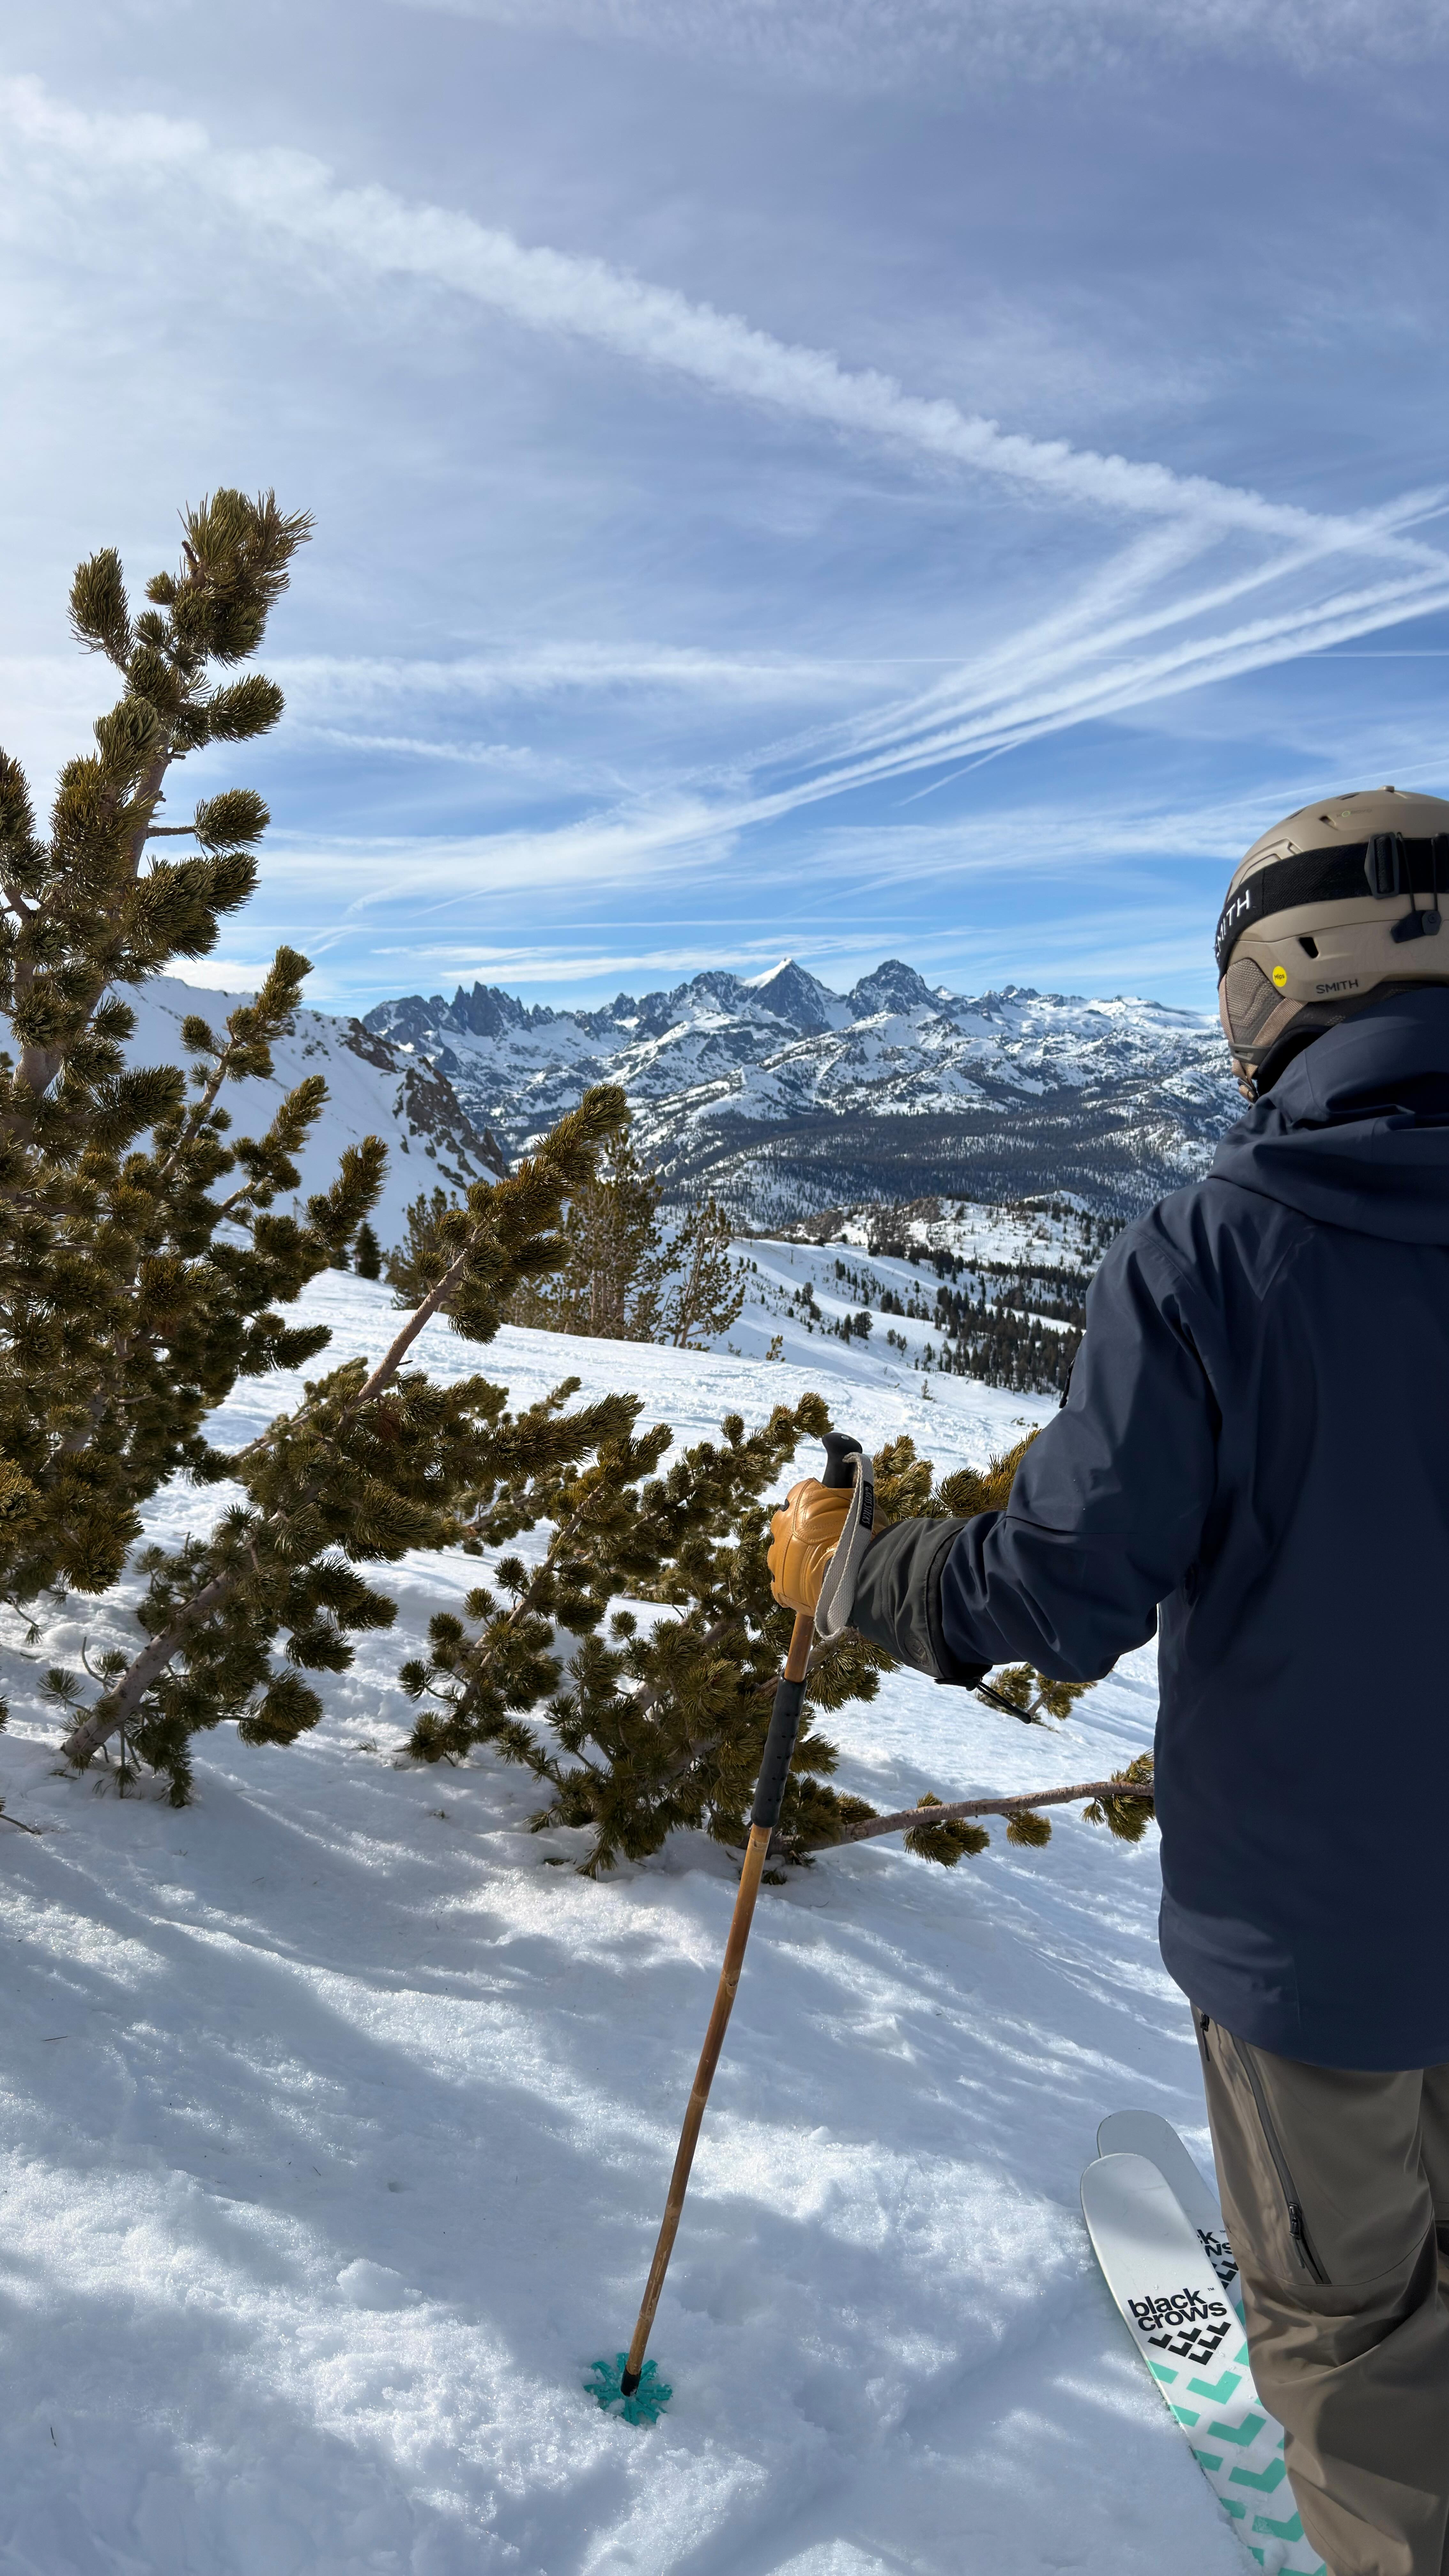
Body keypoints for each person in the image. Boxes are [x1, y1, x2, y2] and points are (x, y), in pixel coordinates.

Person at [768, 786, 1449, 2576]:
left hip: (1322, 1932)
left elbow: (1056, 1592)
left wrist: (852, 1566)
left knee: (1358, 2339)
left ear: (1270, 980)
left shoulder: (1221, 1251)